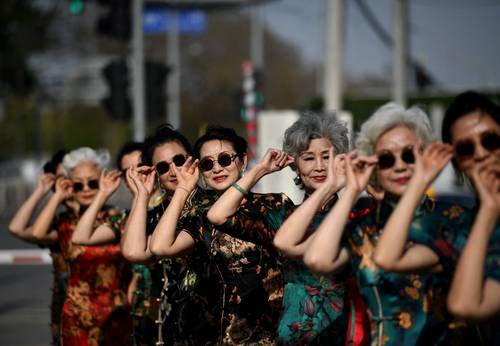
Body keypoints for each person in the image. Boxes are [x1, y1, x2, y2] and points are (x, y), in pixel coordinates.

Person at [304, 103, 462, 345]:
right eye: (386, 159)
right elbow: (317, 259)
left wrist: (419, 184)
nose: (399, 165)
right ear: (374, 166)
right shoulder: (366, 227)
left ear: (425, 155)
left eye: (409, 155)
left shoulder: (453, 218)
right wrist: (350, 191)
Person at [208, 114, 369, 345]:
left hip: (345, 334)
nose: (320, 167)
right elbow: (218, 215)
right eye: (308, 158)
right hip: (293, 335)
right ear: (295, 163)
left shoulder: (356, 216)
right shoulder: (282, 214)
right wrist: (260, 170)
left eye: (326, 156)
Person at [150, 125, 289, 345]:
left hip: (275, 331)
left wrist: (259, 169)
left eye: (225, 159)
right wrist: (183, 189)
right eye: (207, 164)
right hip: (224, 334)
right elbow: (159, 248)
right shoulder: (203, 218)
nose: (217, 169)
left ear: (243, 161)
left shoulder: (273, 205)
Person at [371, 91, 500, 322]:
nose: (481, 154)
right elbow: (386, 258)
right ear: (457, 163)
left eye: (490, 141)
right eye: (466, 149)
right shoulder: (462, 227)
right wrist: (420, 180)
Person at [31, 147, 132, 346]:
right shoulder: (66, 223)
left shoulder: (117, 219)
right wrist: (58, 195)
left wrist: (102, 194)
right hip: (77, 317)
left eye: (92, 183)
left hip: (116, 314)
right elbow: (37, 233)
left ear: (103, 181)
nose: (86, 189)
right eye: (78, 185)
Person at [121, 124, 193, 345]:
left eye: (179, 161)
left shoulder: (210, 206)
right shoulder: (156, 214)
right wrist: (142, 194)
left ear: (192, 160)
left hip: (211, 322)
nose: (173, 171)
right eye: (162, 167)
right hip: (172, 322)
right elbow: (133, 252)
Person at [8, 150, 69, 345]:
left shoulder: (107, 217)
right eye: (61, 177)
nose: (67, 182)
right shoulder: (59, 225)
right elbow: (17, 228)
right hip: (65, 315)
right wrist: (42, 191)